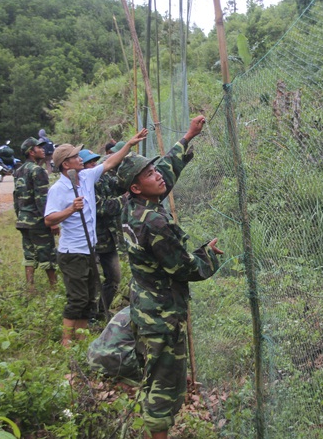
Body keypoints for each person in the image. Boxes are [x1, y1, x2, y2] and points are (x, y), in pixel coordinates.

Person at [116, 115, 223, 439]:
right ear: (136, 186)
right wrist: (208, 257)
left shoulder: (133, 207)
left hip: (148, 307)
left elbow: (167, 171)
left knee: (157, 376)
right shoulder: (153, 223)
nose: (158, 175)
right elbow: (184, 269)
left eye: (154, 170)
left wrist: (188, 136)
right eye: (149, 173)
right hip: (162, 316)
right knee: (163, 386)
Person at [44, 128, 148, 347]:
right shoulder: (59, 189)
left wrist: (128, 144)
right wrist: (71, 209)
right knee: (77, 298)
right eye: (75, 157)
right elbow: (49, 219)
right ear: (66, 164)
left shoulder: (86, 176)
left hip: (89, 249)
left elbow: (109, 163)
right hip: (72, 253)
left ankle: (81, 339)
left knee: (90, 296)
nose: (79, 158)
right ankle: (66, 341)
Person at [80, 147, 127, 318]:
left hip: (109, 239)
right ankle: (90, 314)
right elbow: (102, 208)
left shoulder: (104, 178)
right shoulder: (83, 185)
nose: (93, 165)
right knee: (91, 280)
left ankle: (102, 310)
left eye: (94, 161)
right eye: (88, 163)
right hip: (91, 240)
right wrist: (125, 199)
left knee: (114, 278)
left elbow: (119, 185)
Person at [13, 137, 58, 292]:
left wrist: (19, 215)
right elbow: (42, 198)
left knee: (29, 253)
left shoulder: (18, 171)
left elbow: (16, 197)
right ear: (31, 152)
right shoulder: (38, 171)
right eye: (39, 148)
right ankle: (54, 287)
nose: (43, 149)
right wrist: (50, 220)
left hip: (23, 220)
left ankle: (30, 286)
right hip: (37, 220)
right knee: (48, 253)